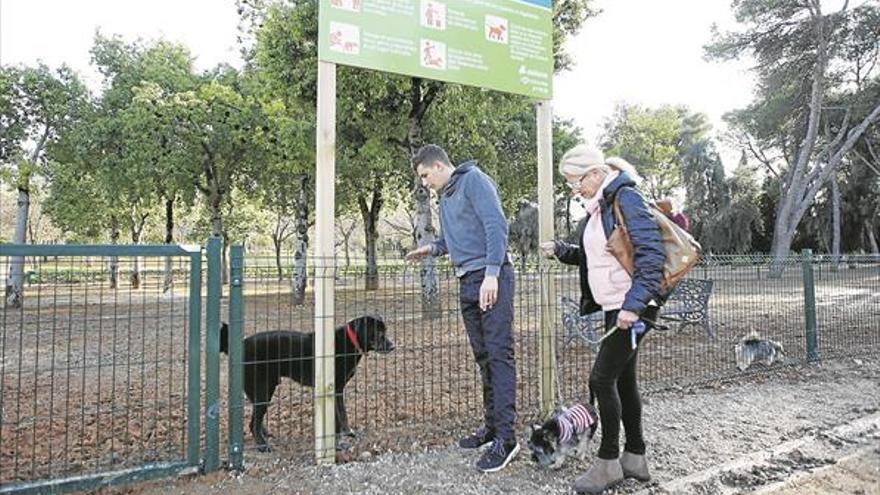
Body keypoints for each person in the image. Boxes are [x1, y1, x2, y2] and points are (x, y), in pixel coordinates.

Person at [540, 145, 665, 494]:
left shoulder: (626, 199)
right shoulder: (602, 208)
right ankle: (635, 458)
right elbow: (598, 258)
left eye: (575, 181)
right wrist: (563, 251)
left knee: (601, 379)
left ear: (595, 173)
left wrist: (633, 306)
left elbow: (651, 253)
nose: (574, 189)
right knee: (623, 380)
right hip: (618, 305)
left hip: (631, 306)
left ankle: (609, 462)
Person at [405, 144, 519, 473]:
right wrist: (430, 249)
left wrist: (492, 275)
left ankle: (508, 439)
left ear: (438, 166)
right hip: (466, 280)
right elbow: (452, 240)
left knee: (499, 355)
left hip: (489, 277)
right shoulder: (447, 195)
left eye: (425, 175)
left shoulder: (474, 181)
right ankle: (493, 428)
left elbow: (496, 227)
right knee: (484, 357)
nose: (424, 182)